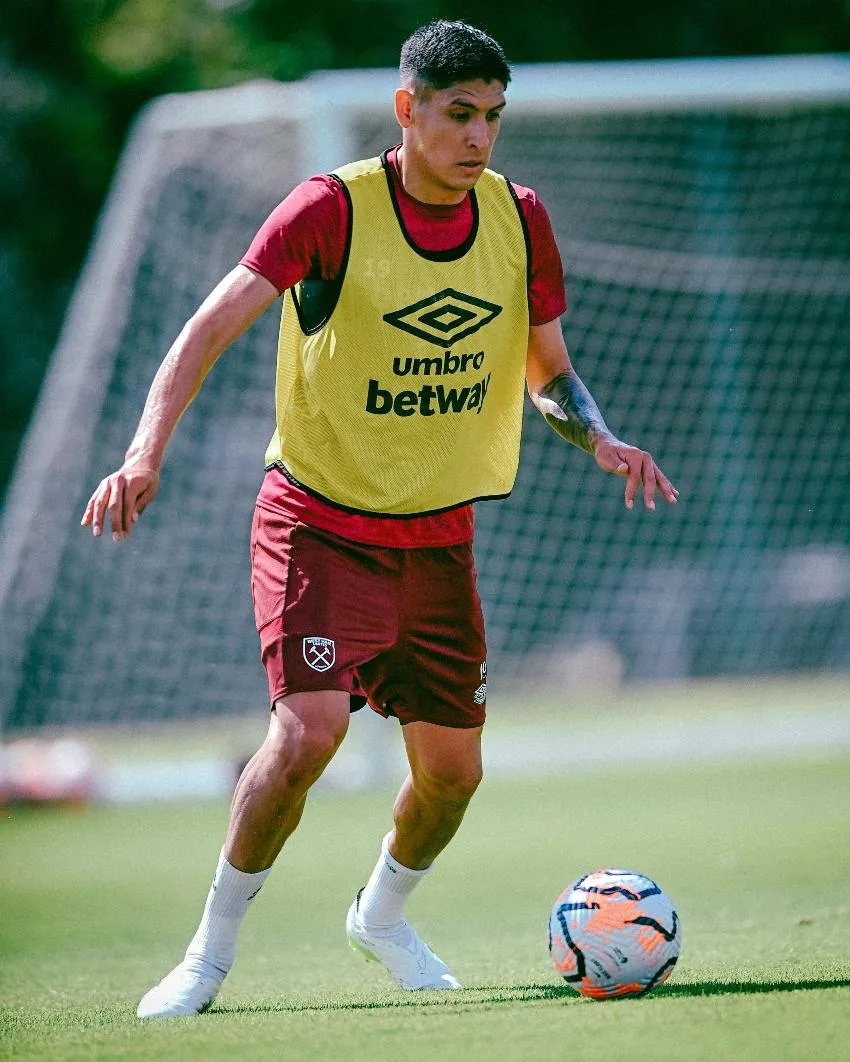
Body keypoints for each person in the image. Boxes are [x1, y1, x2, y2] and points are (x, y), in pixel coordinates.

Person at [82, 20, 678, 1019]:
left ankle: (381, 916)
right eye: (457, 114)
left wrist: (600, 438)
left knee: (451, 777)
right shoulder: (330, 209)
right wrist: (145, 451)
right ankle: (209, 955)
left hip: (438, 541)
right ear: (408, 110)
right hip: (317, 523)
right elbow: (210, 326)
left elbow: (548, 369)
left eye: (492, 116)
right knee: (308, 734)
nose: (478, 136)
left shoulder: (518, 218)